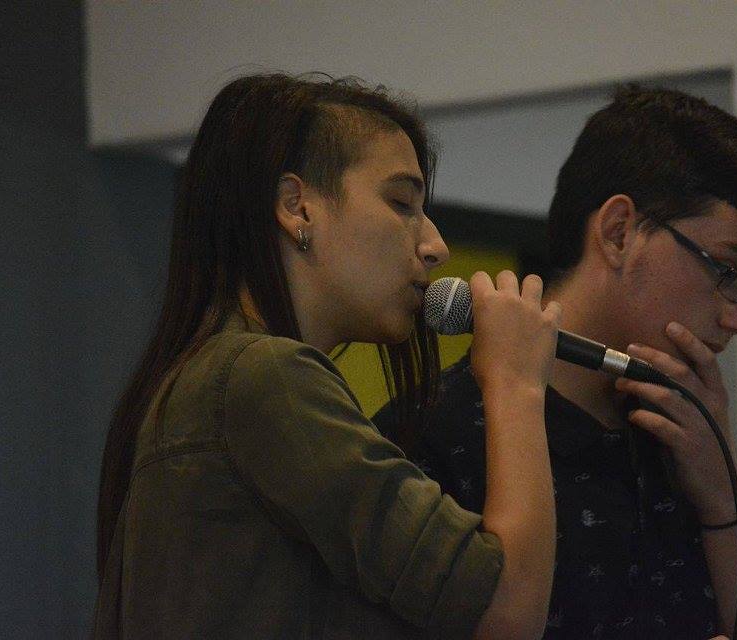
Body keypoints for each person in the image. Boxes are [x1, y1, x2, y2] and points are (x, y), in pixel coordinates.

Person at [92, 73, 564, 639]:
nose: (435, 246)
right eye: (401, 203)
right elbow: (506, 609)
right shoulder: (262, 378)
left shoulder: (213, 375)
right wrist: (516, 383)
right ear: (298, 208)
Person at [375, 86, 737, 640]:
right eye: (728, 272)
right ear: (619, 232)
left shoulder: (685, 432)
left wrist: (725, 489)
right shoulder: (426, 435)